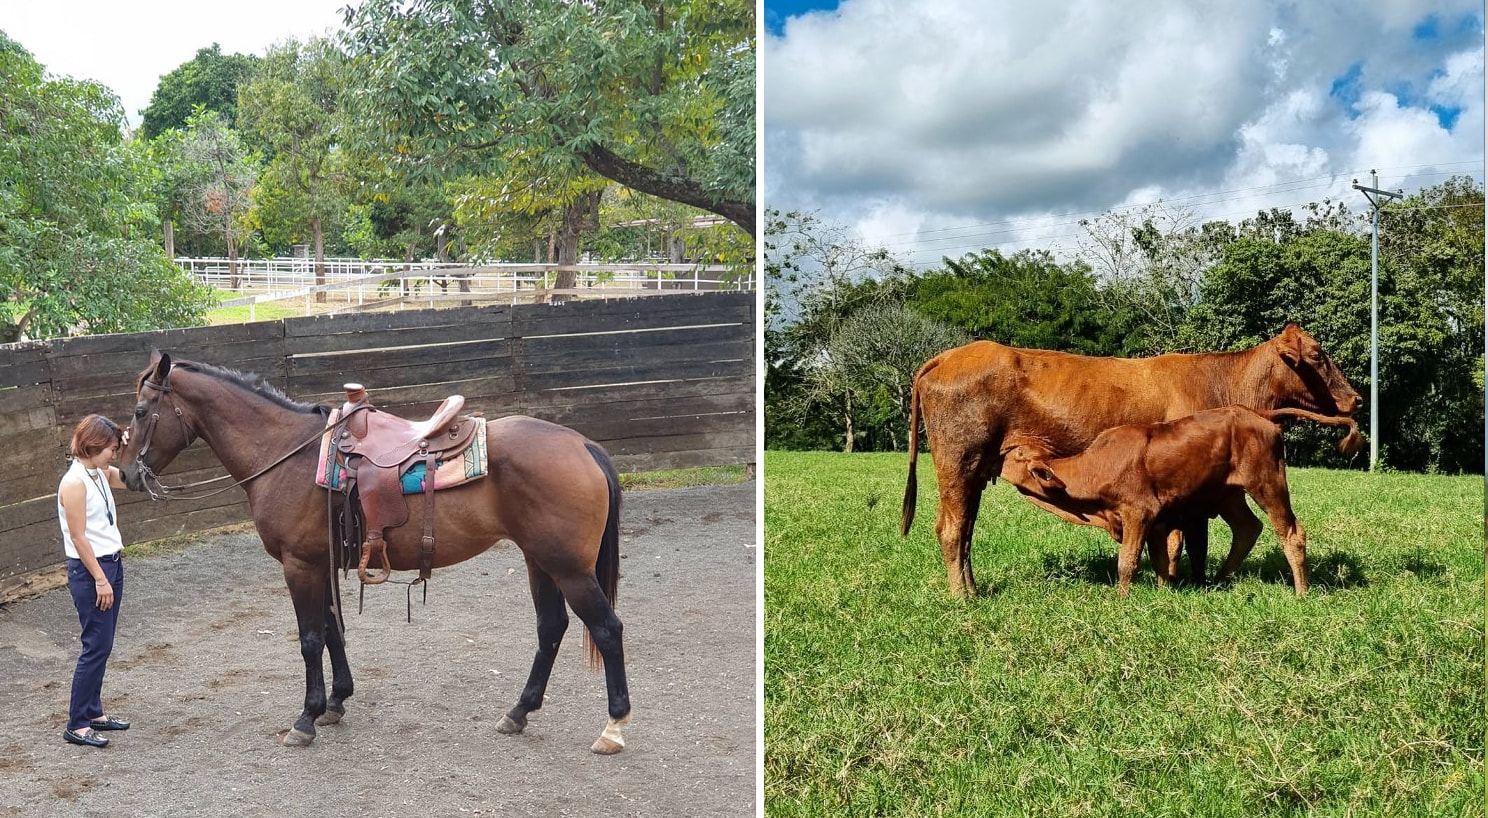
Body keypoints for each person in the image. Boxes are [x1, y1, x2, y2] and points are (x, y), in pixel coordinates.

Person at [57, 414, 132, 748]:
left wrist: (130, 446)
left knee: (104, 644)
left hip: (111, 565)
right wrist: (101, 579)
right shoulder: (74, 483)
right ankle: (77, 723)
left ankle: (93, 710)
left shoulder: (98, 472)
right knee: (95, 646)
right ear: (94, 445)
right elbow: (78, 538)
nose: (113, 456)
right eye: (111, 449)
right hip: (92, 571)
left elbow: (130, 479)